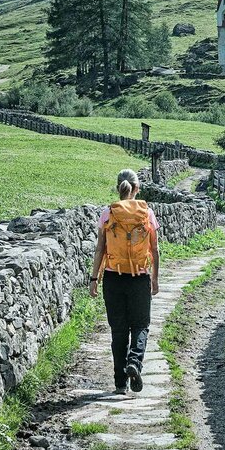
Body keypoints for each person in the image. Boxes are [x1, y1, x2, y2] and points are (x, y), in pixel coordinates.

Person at [89, 168, 160, 394]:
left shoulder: (107, 213)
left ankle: (120, 383)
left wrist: (94, 278)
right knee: (140, 325)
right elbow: (155, 249)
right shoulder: (147, 213)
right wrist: (155, 279)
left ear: (118, 187)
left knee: (118, 331)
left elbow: (100, 249)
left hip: (113, 277)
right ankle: (134, 362)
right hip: (139, 277)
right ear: (137, 189)